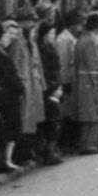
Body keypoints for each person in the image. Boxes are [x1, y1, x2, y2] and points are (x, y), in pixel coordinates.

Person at [8, 8, 47, 166]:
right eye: (29, 21)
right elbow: (15, 64)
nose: (32, 24)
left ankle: (29, 152)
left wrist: (42, 83)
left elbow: (38, 63)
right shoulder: (18, 41)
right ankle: (22, 155)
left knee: (32, 120)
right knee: (24, 121)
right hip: (25, 84)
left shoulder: (30, 40)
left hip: (33, 85)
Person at [0, 18, 25, 171]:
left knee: (11, 130)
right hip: (5, 97)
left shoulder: (2, 52)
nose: (10, 38)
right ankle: (3, 161)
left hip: (10, 96)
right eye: (7, 35)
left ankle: (7, 160)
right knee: (7, 130)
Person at [72, 13, 98, 155]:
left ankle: (85, 143)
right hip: (88, 82)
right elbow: (93, 66)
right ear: (97, 28)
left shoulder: (81, 39)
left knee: (86, 115)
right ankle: (90, 145)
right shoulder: (90, 42)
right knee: (92, 114)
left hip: (81, 80)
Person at [34, 22, 64, 166]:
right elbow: (49, 70)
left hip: (52, 86)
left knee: (52, 120)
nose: (54, 36)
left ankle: (50, 150)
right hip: (50, 88)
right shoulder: (45, 49)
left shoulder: (47, 47)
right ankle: (50, 151)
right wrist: (55, 86)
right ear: (45, 36)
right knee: (53, 120)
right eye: (52, 34)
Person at [55, 11, 83, 154]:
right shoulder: (63, 40)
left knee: (70, 112)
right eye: (79, 25)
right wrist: (64, 82)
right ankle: (64, 143)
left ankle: (69, 142)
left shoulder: (71, 38)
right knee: (65, 113)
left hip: (73, 80)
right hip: (67, 81)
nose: (80, 28)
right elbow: (63, 62)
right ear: (72, 25)